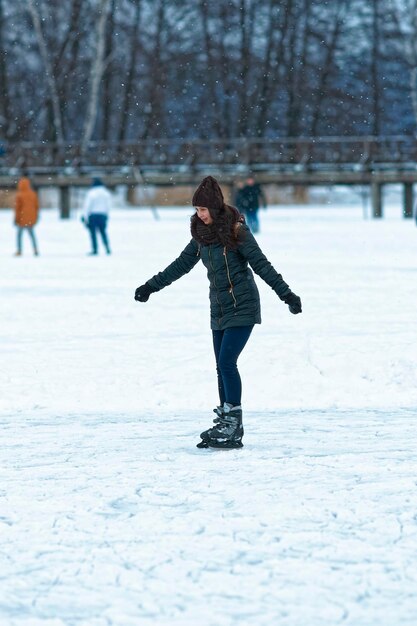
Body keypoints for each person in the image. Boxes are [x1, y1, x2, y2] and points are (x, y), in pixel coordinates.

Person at [134, 176, 302, 450]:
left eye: (203, 210)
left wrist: (286, 295)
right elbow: (180, 265)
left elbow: (262, 265)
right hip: (219, 308)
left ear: (214, 208)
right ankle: (225, 421)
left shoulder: (237, 232)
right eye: (196, 210)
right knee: (219, 367)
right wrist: (151, 286)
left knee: (227, 362)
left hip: (243, 305)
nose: (198, 215)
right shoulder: (200, 237)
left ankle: (234, 425)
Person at [81, 178, 112, 255]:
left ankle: (95, 249)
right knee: (103, 232)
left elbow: (87, 206)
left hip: (93, 215)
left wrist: (84, 216)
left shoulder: (92, 193)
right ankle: (107, 248)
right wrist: (107, 215)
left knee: (93, 234)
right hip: (102, 215)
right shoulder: (106, 193)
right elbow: (108, 206)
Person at [14, 176, 39, 256]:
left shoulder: (19, 195)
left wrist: (16, 219)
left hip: (22, 219)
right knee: (32, 235)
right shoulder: (33, 194)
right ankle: (35, 250)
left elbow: (17, 209)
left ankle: (19, 250)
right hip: (31, 219)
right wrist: (35, 218)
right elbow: (36, 207)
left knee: (19, 236)